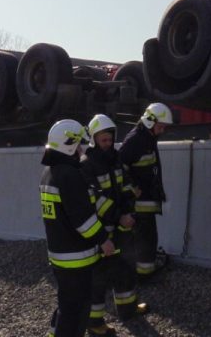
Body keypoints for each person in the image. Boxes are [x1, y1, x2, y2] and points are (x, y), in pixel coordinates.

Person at [39, 119, 115, 337]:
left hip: (60, 254)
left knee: (66, 304)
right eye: (78, 145)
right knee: (76, 311)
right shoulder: (69, 175)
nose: (81, 149)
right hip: (76, 257)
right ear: (69, 145)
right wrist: (104, 239)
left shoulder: (50, 172)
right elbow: (83, 220)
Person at [81, 114, 148, 335]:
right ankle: (95, 322)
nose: (108, 144)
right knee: (98, 278)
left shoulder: (116, 158)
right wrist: (120, 216)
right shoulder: (87, 165)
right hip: (102, 232)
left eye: (110, 139)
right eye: (103, 140)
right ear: (93, 139)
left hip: (122, 227)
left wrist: (129, 210)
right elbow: (96, 201)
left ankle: (127, 309)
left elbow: (127, 186)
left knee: (126, 267)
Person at [119, 102, 173, 279]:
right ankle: (145, 274)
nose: (162, 131)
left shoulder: (147, 138)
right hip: (140, 202)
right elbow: (120, 168)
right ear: (150, 122)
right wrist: (132, 189)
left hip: (147, 199)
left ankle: (144, 270)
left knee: (147, 237)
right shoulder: (136, 140)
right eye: (160, 126)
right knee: (145, 238)